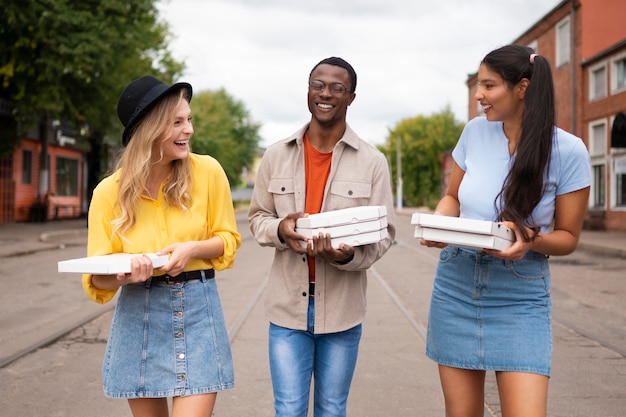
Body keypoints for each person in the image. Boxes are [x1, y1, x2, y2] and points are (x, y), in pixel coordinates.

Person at [420, 44, 591, 417]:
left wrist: (531, 240)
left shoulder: (570, 151)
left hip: (520, 295)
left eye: (488, 85)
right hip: (456, 284)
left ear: (522, 88)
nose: (478, 95)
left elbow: (568, 238)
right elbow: (452, 197)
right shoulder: (474, 133)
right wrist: (440, 223)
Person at [82, 75, 241, 417]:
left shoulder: (208, 171)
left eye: (189, 119)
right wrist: (125, 275)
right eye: (177, 122)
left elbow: (228, 239)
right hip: (138, 315)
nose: (189, 130)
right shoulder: (108, 193)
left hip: (199, 312)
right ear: (151, 130)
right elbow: (97, 278)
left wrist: (191, 249)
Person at [248, 57, 396, 417]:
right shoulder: (275, 155)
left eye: (337, 87)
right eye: (318, 84)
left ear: (351, 97)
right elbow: (257, 219)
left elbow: (385, 235)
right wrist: (282, 229)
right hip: (287, 313)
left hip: (343, 313)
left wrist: (346, 257)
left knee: (331, 409)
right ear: (308, 90)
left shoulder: (372, 161)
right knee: (289, 410)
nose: (325, 93)